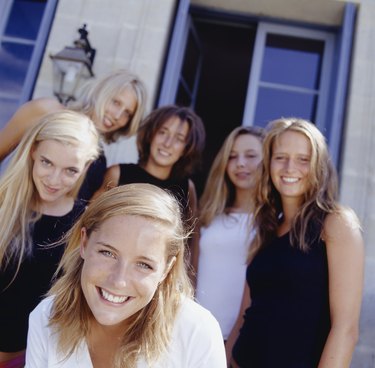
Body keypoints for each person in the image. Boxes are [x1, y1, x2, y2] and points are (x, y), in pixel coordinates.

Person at [25, 184, 227, 368]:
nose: (118, 281)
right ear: (84, 243)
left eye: (143, 265)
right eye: (108, 253)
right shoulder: (46, 318)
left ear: (166, 269)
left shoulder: (197, 332)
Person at [226, 118, 364, 368]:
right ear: (268, 164)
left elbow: (345, 329)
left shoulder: (336, 224)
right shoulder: (265, 229)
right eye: (281, 157)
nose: (290, 168)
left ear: (318, 166)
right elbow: (244, 317)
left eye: (303, 159)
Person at [0, 110, 100, 368]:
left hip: (27, 359)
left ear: (87, 167)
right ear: (33, 151)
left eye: (70, 170)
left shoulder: (85, 225)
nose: (55, 180)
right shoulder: (2, 203)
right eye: (47, 162)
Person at [0, 69, 147, 200]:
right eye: (116, 102)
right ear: (102, 93)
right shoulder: (47, 111)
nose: (117, 115)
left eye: (127, 113)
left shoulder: (99, 161)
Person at [192, 126, 264, 342]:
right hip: (194, 333)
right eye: (232, 157)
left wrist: (232, 345)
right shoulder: (207, 214)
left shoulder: (273, 222)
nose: (240, 163)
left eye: (251, 156)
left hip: (240, 341)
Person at [94, 105, 206, 229]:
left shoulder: (187, 188)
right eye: (163, 132)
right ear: (150, 134)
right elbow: (92, 219)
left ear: (187, 149)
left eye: (179, 139)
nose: (167, 143)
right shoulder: (118, 173)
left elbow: (192, 238)